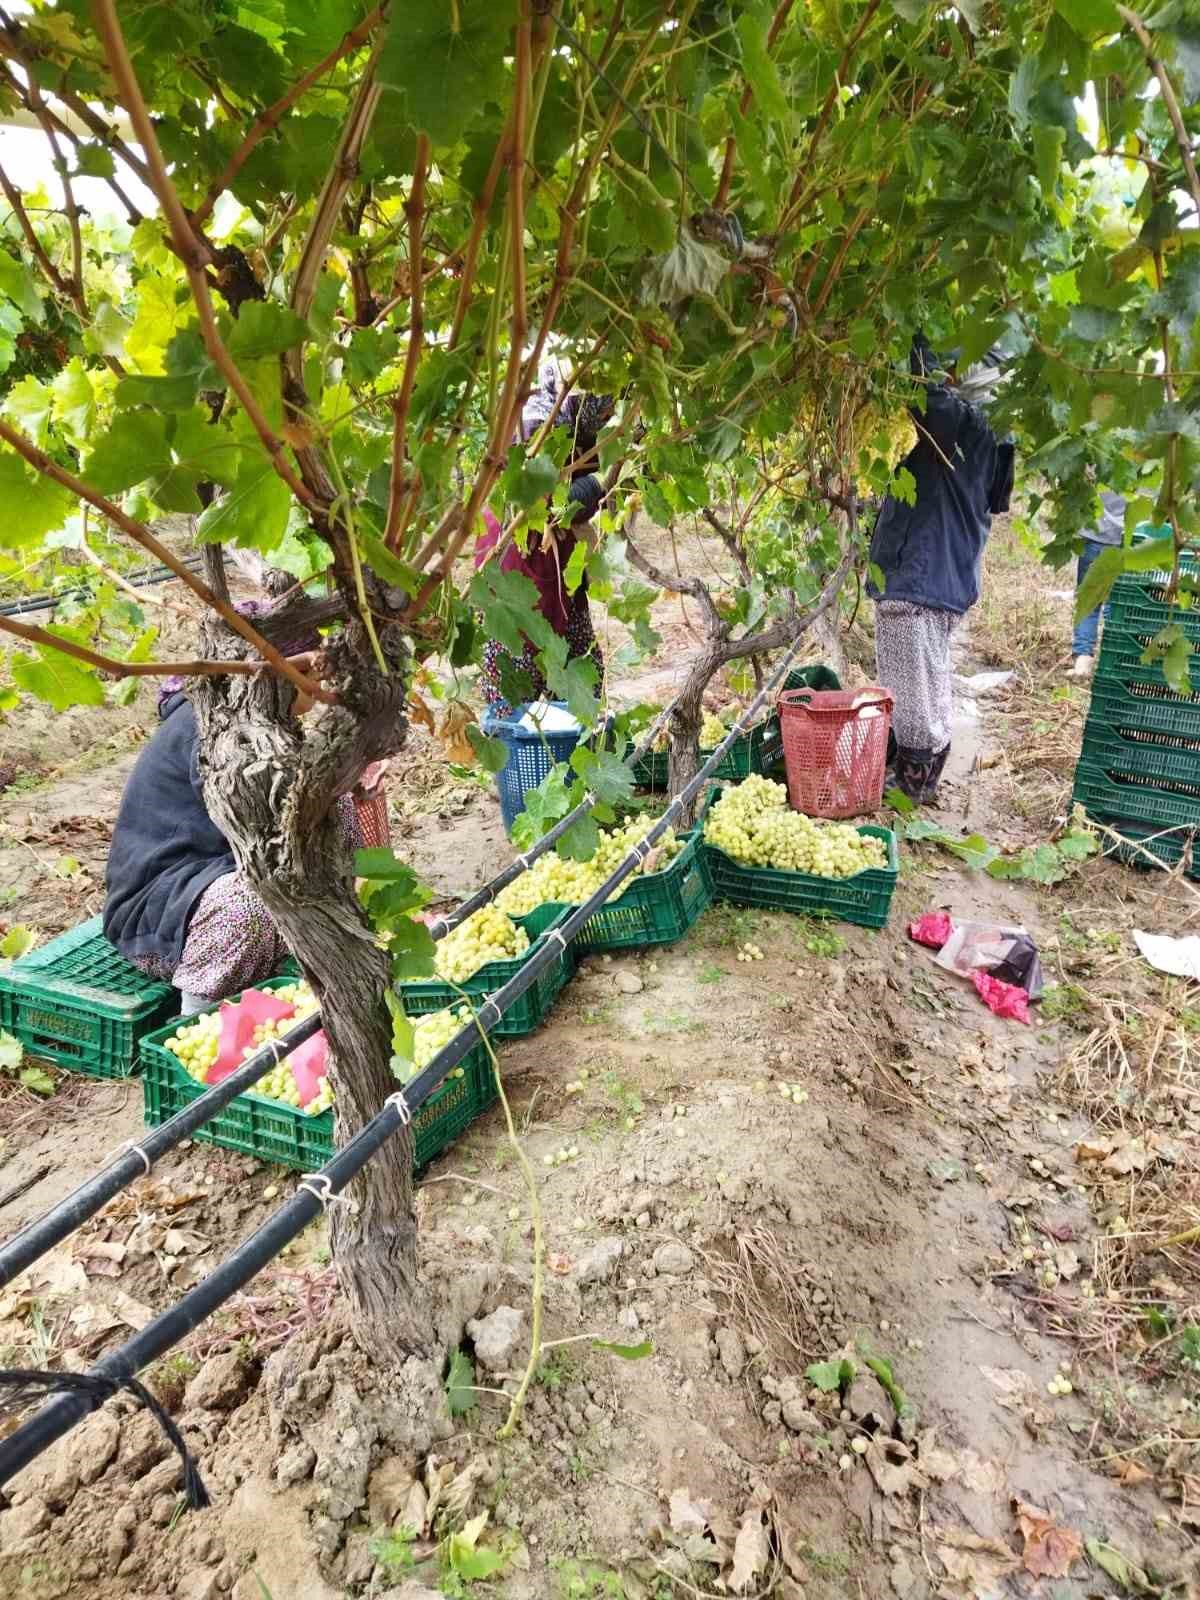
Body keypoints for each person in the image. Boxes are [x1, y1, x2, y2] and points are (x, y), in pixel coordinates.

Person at [105, 641, 378, 1016]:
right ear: (273, 674)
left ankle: (327, 938)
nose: (320, 678)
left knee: (336, 803)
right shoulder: (217, 731)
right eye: (308, 668)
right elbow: (272, 833)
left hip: (214, 875)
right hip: (161, 913)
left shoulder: (268, 721)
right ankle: (197, 1021)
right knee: (254, 899)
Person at [867, 333, 1012, 805]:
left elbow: (923, 388)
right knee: (927, 673)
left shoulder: (961, 421)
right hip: (942, 573)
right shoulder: (992, 434)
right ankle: (924, 768)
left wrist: (913, 328)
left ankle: (912, 780)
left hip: (920, 574)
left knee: (908, 677)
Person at [475, 472, 607, 717]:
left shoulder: (561, 527)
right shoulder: (503, 530)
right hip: (512, 638)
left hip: (564, 625)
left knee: (583, 711)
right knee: (514, 721)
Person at [1069, 489, 1125, 680]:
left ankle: (1083, 659)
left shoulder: (1099, 459)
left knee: (1088, 603)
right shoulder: (1153, 463)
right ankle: (1113, 661)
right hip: (1128, 541)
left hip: (1095, 536)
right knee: (1117, 604)